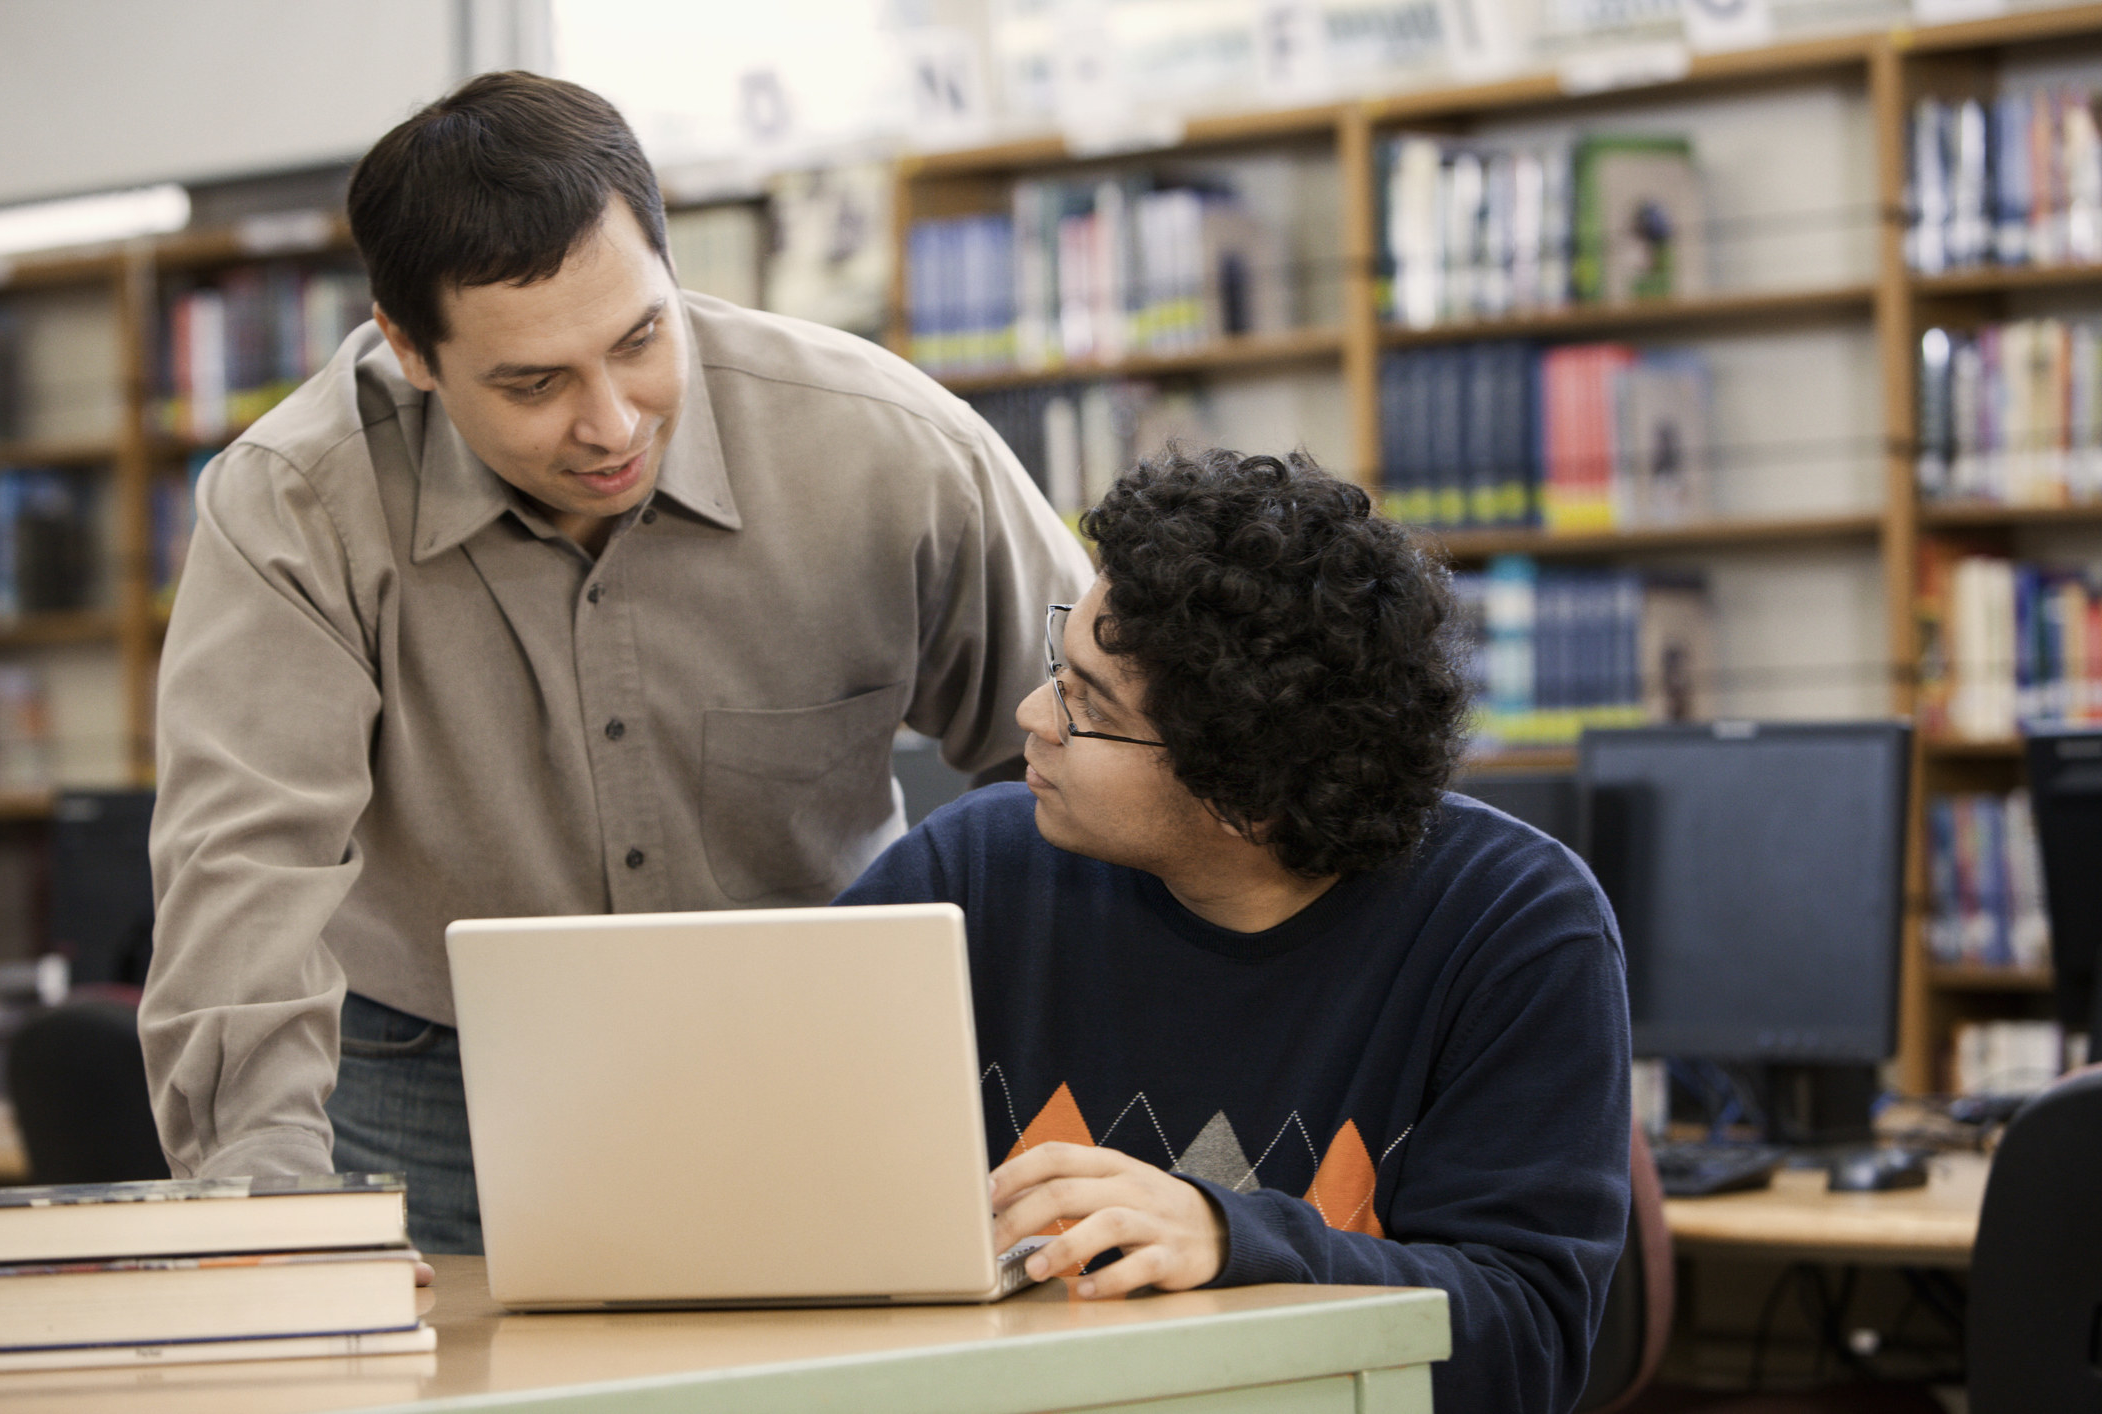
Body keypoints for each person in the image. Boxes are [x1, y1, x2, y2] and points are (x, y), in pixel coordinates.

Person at [140, 71, 1091, 1254]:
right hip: (430, 1067)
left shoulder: (889, 448)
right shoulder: (296, 503)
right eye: (533, 382)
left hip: (817, 1033)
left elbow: (1104, 748)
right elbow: (244, 868)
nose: (613, 422)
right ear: (410, 348)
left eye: (640, 338)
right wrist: (272, 1210)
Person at [837, 447, 1630, 1414]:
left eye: (1088, 704)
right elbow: (763, 1155)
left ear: (1242, 790)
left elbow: (1525, 1340)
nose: (1031, 715)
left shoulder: (1514, 925)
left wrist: (1233, 1242)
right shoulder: (966, 873)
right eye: (1061, 664)